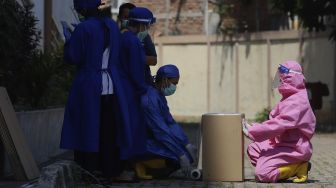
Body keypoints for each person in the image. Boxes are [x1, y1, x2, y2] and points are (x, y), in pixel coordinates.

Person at [60, 0, 133, 181]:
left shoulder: (84, 28)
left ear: (83, 8)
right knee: (108, 129)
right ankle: (109, 170)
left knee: (86, 126)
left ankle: (88, 170)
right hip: (110, 83)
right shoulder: (112, 26)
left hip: (89, 83)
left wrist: (69, 41)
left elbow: (74, 56)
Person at [242, 61, 316, 183]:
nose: (279, 81)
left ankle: (296, 168)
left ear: (289, 78)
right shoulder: (291, 97)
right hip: (282, 143)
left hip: (294, 148)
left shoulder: (297, 102)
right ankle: (279, 167)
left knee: (262, 174)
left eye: (281, 77)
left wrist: (253, 130)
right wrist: (253, 128)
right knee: (254, 149)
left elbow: (279, 124)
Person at [135, 64, 197, 180]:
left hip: (153, 138)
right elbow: (161, 131)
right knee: (177, 158)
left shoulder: (159, 95)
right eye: (174, 83)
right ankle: (141, 164)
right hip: (144, 142)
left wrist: (186, 144)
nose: (174, 87)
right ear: (164, 79)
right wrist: (180, 153)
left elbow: (170, 123)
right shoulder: (150, 99)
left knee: (187, 155)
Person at [118, 7, 156, 161]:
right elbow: (135, 70)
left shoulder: (123, 38)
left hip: (124, 88)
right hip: (131, 90)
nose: (147, 30)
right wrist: (142, 90)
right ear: (141, 24)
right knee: (132, 129)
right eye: (147, 26)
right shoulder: (132, 41)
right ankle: (128, 166)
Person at [118, 3, 158, 85]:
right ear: (141, 24)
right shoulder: (128, 39)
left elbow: (154, 60)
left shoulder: (143, 37)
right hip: (130, 85)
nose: (148, 28)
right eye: (147, 25)